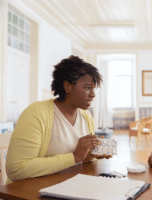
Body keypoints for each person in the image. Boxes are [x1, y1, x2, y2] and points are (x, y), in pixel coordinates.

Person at [6, 55, 111, 184]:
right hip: (29, 191)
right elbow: (16, 169)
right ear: (67, 87)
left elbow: (79, 160)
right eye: (87, 87)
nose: (93, 94)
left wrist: (91, 154)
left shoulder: (86, 116)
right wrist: (75, 156)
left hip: (66, 186)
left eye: (94, 88)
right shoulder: (36, 113)